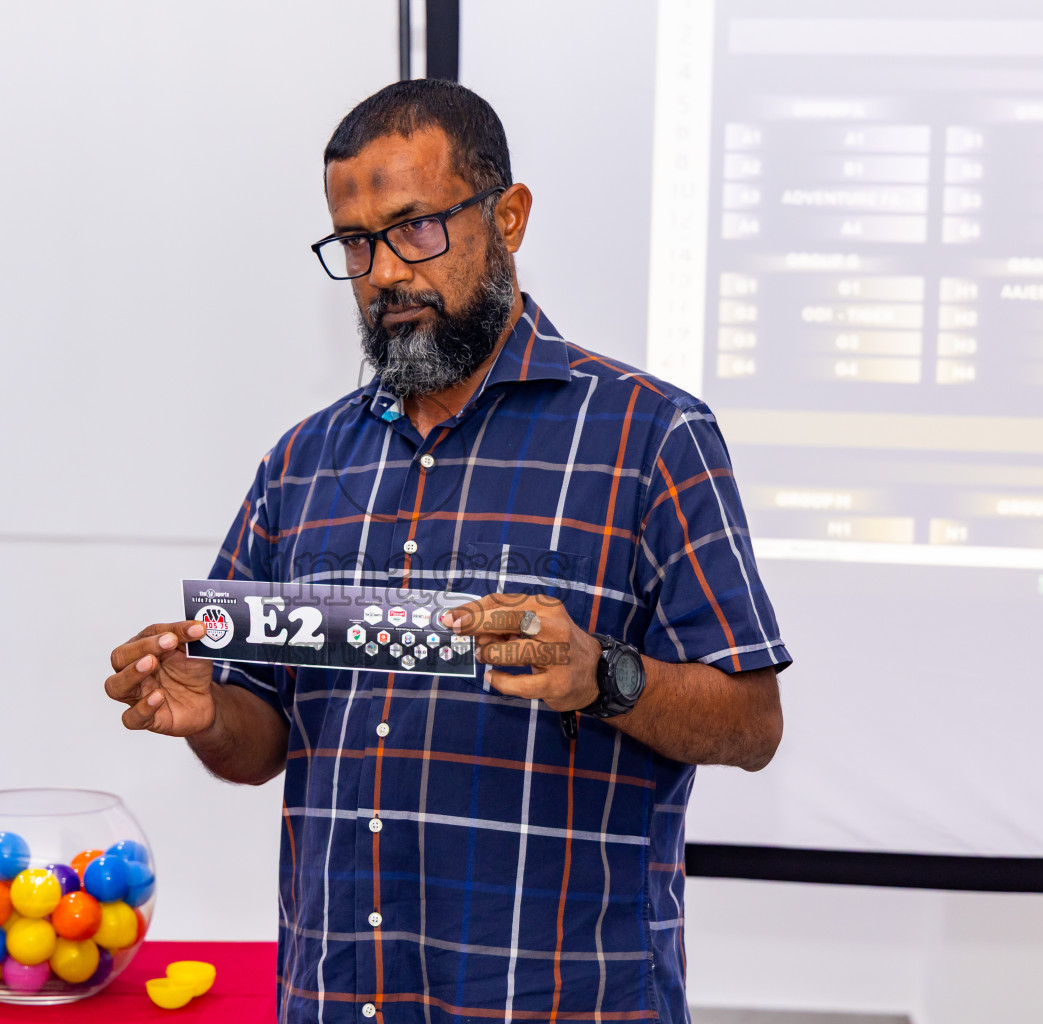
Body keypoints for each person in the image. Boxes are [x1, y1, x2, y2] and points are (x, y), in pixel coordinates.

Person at [104, 80, 790, 1024]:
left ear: (507, 217)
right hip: (337, 1000)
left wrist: (605, 676)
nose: (383, 271)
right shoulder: (301, 464)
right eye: (355, 242)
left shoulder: (651, 436)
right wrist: (208, 712)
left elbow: (753, 724)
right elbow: (260, 742)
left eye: (414, 227)